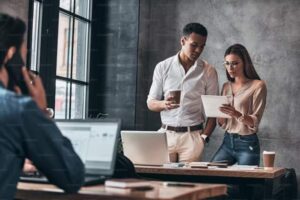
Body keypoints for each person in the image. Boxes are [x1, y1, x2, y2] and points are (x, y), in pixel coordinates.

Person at [0, 13, 84, 199]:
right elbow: (72, 176)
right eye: (24, 53)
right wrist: (40, 112)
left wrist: (15, 161)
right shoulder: (18, 108)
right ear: (10, 54)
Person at [147, 23, 219, 162]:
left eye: (202, 46)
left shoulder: (209, 71)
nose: (198, 50)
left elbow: (214, 111)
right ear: (183, 41)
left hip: (192, 138)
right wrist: (164, 104)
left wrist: (203, 138)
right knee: (163, 182)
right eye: (194, 45)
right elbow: (151, 103)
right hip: (165, 135)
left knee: (188, 183)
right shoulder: (163, 67)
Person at [211, 43, 267, 165]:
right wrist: (218, 114)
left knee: (245, 182)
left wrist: (236, 114)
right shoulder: (226, 86)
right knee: (211, 174)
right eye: (227, 63)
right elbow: (222, 123)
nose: (230, 68)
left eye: (235, 63)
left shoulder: (258, 85)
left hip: (247, 143)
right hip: (227, 140)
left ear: (245, 63)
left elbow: (255, 121)